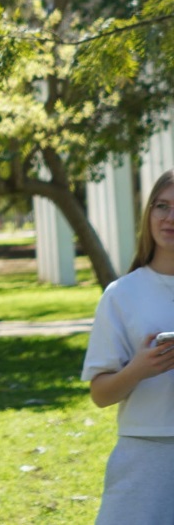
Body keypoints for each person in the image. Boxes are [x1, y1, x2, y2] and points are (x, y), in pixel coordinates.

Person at [81, 169, 174, 523]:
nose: (170, 218)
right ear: (148, 213)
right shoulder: (122, 295)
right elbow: (100, 394)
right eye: (162, 206)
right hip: (145, 454)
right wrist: (139, 368)